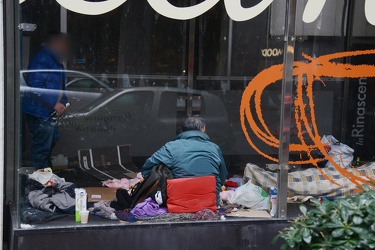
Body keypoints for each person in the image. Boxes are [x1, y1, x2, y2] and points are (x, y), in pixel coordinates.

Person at [142, 116, 228, 205]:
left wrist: (161, 186)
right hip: (210, 203)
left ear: (182, 130)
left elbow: (147, 169)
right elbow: (222, 176)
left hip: (178, 203)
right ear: (203, 129)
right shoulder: (214, 148)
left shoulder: (171, 147)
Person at [23, 32, 70, 169]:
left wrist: (63, 101)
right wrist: (54, 103)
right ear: (55, 43)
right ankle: (38, 181)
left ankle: (45, 177)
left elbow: (58, 85)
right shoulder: (43, 59)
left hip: (47, 112)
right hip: (40, 112)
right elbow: (35, 87)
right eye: (64, 44)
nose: (66, 47)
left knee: (49, 144)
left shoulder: (55, 60)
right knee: (42, 149)